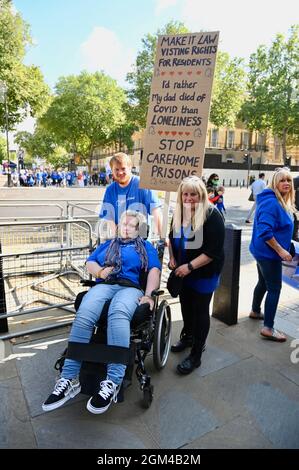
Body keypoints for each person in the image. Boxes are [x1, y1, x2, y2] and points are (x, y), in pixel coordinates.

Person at [42, 210, 161, 414]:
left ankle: (113, 381)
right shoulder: (108, 244)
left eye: (131, 225)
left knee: (118, 313)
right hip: (105, 283)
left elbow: (154, 270)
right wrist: (99, 271)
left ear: (139, 229)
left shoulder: (145, 247)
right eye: (123, 223)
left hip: (130, 288)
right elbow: (90, 262)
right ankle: (68, 379)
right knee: (85, 313)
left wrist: (149, 295)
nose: (125, 227)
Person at [168, 176, 225, 374]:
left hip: (204, 273)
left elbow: (212, 252)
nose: (189, 198)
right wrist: (172, 257)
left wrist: (189, 267)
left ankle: (196, 355)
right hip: (184, 271)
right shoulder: (178, 213)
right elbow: (171, 238)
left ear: (201, 195)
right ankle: (188, 336)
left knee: (200, 311)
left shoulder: (212, 215)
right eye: (186, 194)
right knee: (185, 306)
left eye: (194, 194)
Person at [249, 168, 295, 341]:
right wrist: (281, 250)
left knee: (262, 282)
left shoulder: (276, 200)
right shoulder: (272, 203)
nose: (286, 183)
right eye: (282, 180)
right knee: (274, 288)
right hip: (269, 255)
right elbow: (265, 231)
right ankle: (268, 327)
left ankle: (255, 311)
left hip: (261, 252)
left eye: (289, 181)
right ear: (274, 183)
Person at [99, 152, 162, 239]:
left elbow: (155, 210)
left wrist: (162, 236)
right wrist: (118, 237)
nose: (120, 172)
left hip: (141, 238)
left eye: (123, 168)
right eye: (116, 169)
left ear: (130, 167)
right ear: (112, 170)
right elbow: (109, 217)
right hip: (121, 238)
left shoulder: (142, 184)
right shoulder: (110, 190)